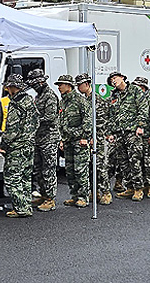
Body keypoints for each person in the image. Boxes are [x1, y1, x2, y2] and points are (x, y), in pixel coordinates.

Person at [0, 74, 38, 218]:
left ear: (12, 87)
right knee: (26, 178)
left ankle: (20, 208)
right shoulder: (29, 100)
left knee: (12, 178)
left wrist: (3, 144)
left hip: (17, 147)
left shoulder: (15, 104)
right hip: (29, 145)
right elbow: (36, 122)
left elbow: (12, 129)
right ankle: (26, 206)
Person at [106, 71, 148, 201]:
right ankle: (129, 187)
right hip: (119, 133)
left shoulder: (134, 90)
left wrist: (140, 125)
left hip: (132, 132)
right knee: (123, 163)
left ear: (122, 77)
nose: (113, 81)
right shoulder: (114, 96)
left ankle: (138, 189)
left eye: (115, 78)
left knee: (134, 161)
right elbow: (110, 115)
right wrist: (110, 132)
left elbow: (143, 108)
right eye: (111, 80)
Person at [76, 73, 111, 204]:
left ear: (87, 84)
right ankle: (94, 192)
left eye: (80, 85)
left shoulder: (96, 100)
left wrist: (94, 137)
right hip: (87, 138)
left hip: (97, 138)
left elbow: (101, 121)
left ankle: (106, 192)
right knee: (90, 167)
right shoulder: (84, 99)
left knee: (100, 166)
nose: (78, 87)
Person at [28, 69, 61, 211]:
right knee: (38, 169)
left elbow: (50, 117)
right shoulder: (39, 96)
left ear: (41, 82)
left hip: (49, 138)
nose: (34, 87)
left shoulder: (50, 96)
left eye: (35, 84)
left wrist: (33, 121)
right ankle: (43, 194)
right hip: (38, 138)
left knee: (48, 169)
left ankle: (50, 199)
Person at [57, 74, 92, 208]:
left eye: (61, 85)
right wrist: (61, 139)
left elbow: (88, 121)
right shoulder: (63, 102)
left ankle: (83, 197)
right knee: (70, 170)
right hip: (68, 141)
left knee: (80, 170)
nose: (59, 87)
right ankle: (75, 196)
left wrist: (84, 137)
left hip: (79, 141)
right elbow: (61, 121)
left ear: (68, 86)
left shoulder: (80, 100)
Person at [132, 76, 150, 199]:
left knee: (149, 162)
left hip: (147, 135)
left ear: (142, 87)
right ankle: (141, 186)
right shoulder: (135, 99)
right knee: (137, 162)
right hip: (136, 137)